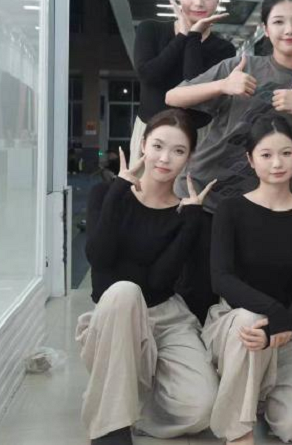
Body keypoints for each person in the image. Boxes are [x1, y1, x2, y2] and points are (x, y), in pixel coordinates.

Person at [165, 0, 292, 321]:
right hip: (204, 198)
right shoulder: (242, 66)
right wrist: (223, 85)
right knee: (195, 298)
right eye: (279, 21)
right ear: (265, 29)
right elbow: (173, 97)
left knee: (246, 303)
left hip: (260, 212)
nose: (289, 29)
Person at [78, 109, 218, 445]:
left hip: (166, 317)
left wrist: (190, 222)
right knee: (125, 291)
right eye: (157, 146)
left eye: (178, 151)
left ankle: (126, 401)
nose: (165, 158)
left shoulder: (188, 213)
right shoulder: (106, 195)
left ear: (189, 158)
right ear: (143, 144)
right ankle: (110, 429)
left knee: (200, 410)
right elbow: (99, 259)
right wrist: (119, 190)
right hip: (116, 316)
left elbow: (158, 282)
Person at [202, 116, 292, 445]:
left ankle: (255, 390)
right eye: (266, 154)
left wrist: (281, 323)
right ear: (250, 159)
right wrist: (272, 313)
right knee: (251, 320)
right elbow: (221, 279)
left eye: (286, 153)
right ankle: (239, 433)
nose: (277, 163)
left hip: (291, 331)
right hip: (238, 324)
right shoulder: (230, 210)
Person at [131, 0, 234, 163]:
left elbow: (193, 88)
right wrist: (182, 37)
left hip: (199, 138)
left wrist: (193, 37)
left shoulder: (223, 49)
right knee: (141, 184)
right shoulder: (150, 29)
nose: (199, 3)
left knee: (193, 186)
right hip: (151, 134)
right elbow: (149, 76)